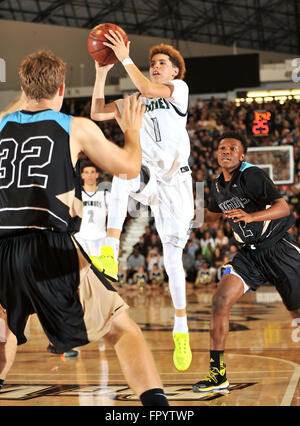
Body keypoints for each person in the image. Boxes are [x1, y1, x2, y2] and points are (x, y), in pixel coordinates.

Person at [0, 50, 169, 406]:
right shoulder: (73, 126)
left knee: (5, 335)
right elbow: (126, 168)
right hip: (48, 248)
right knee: (122, 328)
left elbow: (20, 106)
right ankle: (158, 411)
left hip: (1, 249)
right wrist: (133, 133)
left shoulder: (0, 122)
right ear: (62, 88)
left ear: (23, 87)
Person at [90, 32, 194, 371]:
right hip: (148, 173)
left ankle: (182, 328)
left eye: (162, 64)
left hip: (177, 183)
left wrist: (123, 58)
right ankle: (109, 249)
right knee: (122, 171)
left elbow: (151, 89)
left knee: (172, 261)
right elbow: (96, 111)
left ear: (176, 72)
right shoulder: (137, 98)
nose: (156, 67)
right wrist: (102, 72)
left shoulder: (179, 91)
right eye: (153, 64)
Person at [193, 131, 300, 392]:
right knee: (219, 301)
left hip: (279, 250)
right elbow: (209, 217)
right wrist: (187, 213)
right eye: (221, 147)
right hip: (249, 255)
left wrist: (251, 217)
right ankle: (218, 375)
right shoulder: (218, 185)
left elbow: (284, 208)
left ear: (242, 155)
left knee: (298, 315)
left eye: (232, 148)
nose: (226, 151)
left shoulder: (251, 174)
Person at [75, 161, 110, 256]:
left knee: (100, 270)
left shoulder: (105, 195)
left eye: (92, 172)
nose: (89, 175)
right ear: (82, 175)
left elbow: (113, 218)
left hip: (101, 239)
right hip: (80, 238)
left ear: (97, 175)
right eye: (86, 172)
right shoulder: (76, 195)